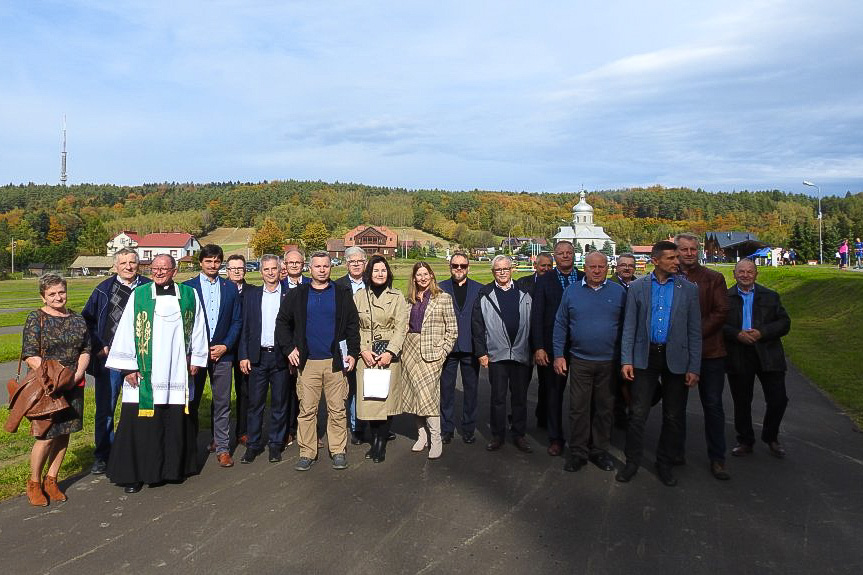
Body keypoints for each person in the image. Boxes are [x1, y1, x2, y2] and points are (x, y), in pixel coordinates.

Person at [106, 255, 209, 493]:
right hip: (145, 372)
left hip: (176, 371)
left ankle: (172, 470)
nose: (159, 272)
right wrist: (129, 366)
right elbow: (125, 330)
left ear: (174, 270)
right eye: (155, 268)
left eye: (164, 268)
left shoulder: (189, 295)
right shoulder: (139, 295)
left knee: (173, 420)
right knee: (139, 423)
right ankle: (136, 474)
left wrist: (196, 357)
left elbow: (198, 328)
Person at [617, 241, 701, 487]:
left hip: (676, 358)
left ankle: (664, 462)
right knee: (638, 413)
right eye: (672, 258)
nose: (678, 261)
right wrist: (626, 360)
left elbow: (694, 331)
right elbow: (629, 327)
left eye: (678, 257)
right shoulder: (637, 288)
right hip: (646, 356)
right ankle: (632, 461)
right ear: (655, 260)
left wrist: (694, 367)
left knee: (673, 415)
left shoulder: (689, 290)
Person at [275, 251, 359, 471]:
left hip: (335, 362)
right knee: (307, 410)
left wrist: (353, 352)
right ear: (309, 268)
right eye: (318, 266)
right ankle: (307, 452)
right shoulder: (298, 295)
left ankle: (338, 450)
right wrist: (289, 349)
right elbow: (282, 322)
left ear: (331, 268)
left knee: (338, 409)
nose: (322, 270)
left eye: (326, 266)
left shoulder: (341, 293)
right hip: (308, 362)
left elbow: (352, 326)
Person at [21, 274, 91, 506]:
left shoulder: (77, 319)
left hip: (72, 385)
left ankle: (52, 479)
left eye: (61, 292)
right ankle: (34, 482)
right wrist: (53, 378)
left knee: (64, 433)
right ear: (43, 296)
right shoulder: (36, 319)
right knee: (46, 436)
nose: (58, 297)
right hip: (47, 387)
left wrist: (77, 374)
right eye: (52, 294)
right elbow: (30, 354)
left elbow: (85, 349)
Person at [552, 252, 626, 473]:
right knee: (579, 408)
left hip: (608, 361)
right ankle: (578, 452)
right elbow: (560, 325)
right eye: (592, 267)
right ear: (585, 267)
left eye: (601, 267)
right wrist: (558, 354)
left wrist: (626, 359)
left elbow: (627, 328)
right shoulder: (572, 291)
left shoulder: (619, 292)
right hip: (581, 360)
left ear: (607, 268)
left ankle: (600, 451)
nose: (596, 271)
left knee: (604, 409)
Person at [81, 248, 151, 475]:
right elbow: (87, 321)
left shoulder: (149, 287)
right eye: (123, 263)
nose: (129, 267)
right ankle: (103, 455)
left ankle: (138, 452)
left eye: (132, 262)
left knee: (140, 408)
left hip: (141, 359)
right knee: (106, 409)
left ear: (138, 264)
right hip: (109, 361)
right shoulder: (103, 290)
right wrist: (99, 345)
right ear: (115, 266)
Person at [675, 233, 731, 480]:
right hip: (678, 353)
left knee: (713, 405)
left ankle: (717, 458)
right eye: (684, 249)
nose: (688, 253)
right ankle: (676, 451)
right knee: (676, 406)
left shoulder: (713, 279)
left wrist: (693, 334)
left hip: (710, 352)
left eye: (692, 249)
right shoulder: (669, 279)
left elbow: (720, 312)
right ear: (676, 251)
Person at [724, 259, 791, 458]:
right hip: (739, 353)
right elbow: (718, 325)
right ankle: (745, 440)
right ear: (734, 274)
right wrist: (736, 334)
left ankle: (771, 436)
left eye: (749, 272)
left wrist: (762, 332)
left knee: (778, 399)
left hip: (768, 353)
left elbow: (784, 323)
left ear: (756, 274)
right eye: (741, 272)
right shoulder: (725, 298)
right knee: (742, 401)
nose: (745, 275)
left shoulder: (770, 296)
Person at [185, 244, 242, 468]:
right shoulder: (188, 288)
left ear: (221, 263)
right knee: (191, 401)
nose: (213, 265)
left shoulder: (230, 288)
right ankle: (189, 448)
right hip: (195, 355)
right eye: (208, 261)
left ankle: (223, 447)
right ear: (201, 263)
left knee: (222, 402)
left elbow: (237, 320)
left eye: (217, 261)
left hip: (222, 355)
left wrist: (226, 346)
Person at [473, 255, 533, 453]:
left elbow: (533, 324)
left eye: (505, 269)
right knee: (498, 398)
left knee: (519, 398)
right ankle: (498, 436)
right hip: (497, 355)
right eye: (498, 270)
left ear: (512, 269)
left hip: (521, 354)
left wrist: (534, 349)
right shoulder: (484, 294)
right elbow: (477, 326)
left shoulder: (525, 292)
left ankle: (519, 434)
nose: (502, 272)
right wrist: (481, 352)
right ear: (493, 272)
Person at [529, 240, 584, 454]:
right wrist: (539, 347)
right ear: (555, 256)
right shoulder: (545, 281)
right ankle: (555, 437)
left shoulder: (583, 278)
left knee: (581, 396)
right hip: (552, 346)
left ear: (574, 254)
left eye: (568, 252)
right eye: (560, 253)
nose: (565, 256)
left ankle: (582, 438)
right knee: (553, 393)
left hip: (579, 345)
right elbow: (537, 315)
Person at [354, 255, 408, 463]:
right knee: (370, 401)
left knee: (386, 400)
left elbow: (401, 327)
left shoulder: (397, 296)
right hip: (366, 355)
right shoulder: (359, 296)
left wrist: (390, 352)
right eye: (376, 270)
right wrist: (363, 351)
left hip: (388, 355)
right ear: (369, 273)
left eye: (383, 270)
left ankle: (380, 443)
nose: (380, 274)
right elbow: (353, 327)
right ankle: (375, 436)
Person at [402, 262, 458, 459]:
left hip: (432, 354)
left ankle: (436, 439)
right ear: (414, 278)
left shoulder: (443, 298)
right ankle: (421, 435)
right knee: (415, 395)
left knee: (429, 397)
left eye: (426, 274)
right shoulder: (408, 300)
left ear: (432, 276)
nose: (423, 278)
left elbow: (452, 330)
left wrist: (442, 352)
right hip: (410, 351)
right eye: (419, 275)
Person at [238, 255, 289, 464]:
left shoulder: (288, 295)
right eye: (266, 269)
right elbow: (245, 328)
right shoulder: (251, 296)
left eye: (274, 269)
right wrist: (243, 355)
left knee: (279, 403)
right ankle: (253, 445)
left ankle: (276, 445)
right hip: (257, 357)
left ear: (280, 271)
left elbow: (294, 328)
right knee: (255, 404)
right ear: (261, 272)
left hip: (280, 359)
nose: (270, 272)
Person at [438, 251, 483, 445]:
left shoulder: (479, 289)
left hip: (471, 347)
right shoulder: (440, 288)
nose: (459, 269)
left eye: (462, 266)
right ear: (450, 267)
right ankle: (446, 428)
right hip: (448, 348)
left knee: (471, 391)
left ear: (468, 268)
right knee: (446, 391)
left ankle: (468, 428)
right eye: (455, 266)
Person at [336, 246, 368, 445]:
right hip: (346, 342)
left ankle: (375, 424)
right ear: (346, 264)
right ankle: (355, 426)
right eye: (352, 262)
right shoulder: (338, 286)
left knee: (370, 384)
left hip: (369, 341)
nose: (356, 265)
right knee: (351, 386)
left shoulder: (372, 283)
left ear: (365, 263)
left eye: (359, 261)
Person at [281, 248, 310, 446]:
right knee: (288, 391)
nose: (293, 265)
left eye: (297, 262)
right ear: (285, 264)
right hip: (285, 347)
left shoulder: (312, 284)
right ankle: (289, 430)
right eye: (290, 262)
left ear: (303, 264)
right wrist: (288, 348)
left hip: (308, 346)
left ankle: (309, 432)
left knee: (308, 393)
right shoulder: (278, 286)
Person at [225, 254, 252, 447]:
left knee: (245, 391)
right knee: (222, 396)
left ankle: (243, 431)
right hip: (225, 348)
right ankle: (219, 437)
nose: (236, 271)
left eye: (240, 268)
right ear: (227, 270)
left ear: (245, 270)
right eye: (233, 268)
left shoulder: (252, 291)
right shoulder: (220, 289)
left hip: (245, 349)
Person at [610, 252, 637, 427]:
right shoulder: (610, 285)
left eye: (630, 265)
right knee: (615, 383)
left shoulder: (641, 284)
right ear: (616, 267)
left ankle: (631, 414)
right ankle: (618, 416)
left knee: (632, 382)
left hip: (635, 341)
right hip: (614, 341)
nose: (627, 268)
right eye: (623, 265)